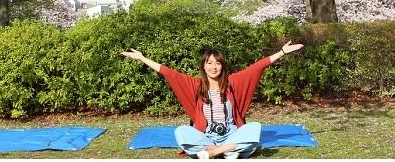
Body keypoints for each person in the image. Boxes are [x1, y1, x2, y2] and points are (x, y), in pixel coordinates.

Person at [121, 41, 304, 159]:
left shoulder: (232, 82)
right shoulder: (196, 85)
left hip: (231, 133)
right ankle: (229, 150)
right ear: (203, 66)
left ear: (222, 66)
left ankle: (217, 151)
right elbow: (168, 72)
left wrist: (281, 51)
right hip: (207, 135)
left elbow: (257, 68)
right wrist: (142, 58)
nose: (213, 67)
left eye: (217, 63)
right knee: (181, 133)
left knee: (255, 128)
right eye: (209, 63)